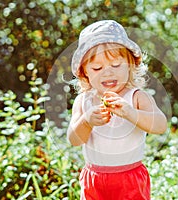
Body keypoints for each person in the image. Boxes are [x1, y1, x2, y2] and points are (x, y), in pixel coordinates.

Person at [67, 20, 167, 200]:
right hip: (94, 179)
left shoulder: (136, 97)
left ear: (130, 65)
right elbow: (74, 139)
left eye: (116, 65)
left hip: (129, 179)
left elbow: (160, 125)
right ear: (85, 73)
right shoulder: (83, 101)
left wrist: (131, 113)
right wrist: (87, 121)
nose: (108, 73)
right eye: (97, 68)